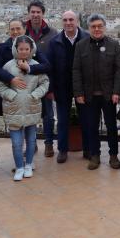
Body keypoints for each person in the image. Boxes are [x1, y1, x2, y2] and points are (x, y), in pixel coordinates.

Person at [72, 13, 120, 170]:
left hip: (108, 95)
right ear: (89, 28)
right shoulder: (81, 45)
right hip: (89, 96)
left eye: (100, 26)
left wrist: (116, 92)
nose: (97, 29)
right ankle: (95, 156)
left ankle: (113, 156)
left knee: (111, 127)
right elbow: (76, 70)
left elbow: (118, 70)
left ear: (104, 27)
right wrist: (78, 93)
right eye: (93, 26)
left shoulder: (113, 44)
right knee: (91, 127)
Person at [0, 36, 49, 181]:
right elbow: (1, 85)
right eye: (21, 49)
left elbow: (44, 83)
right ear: (16, 49)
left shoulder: (36, 65)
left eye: (27, 49)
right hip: (13, 108)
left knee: (31, 140)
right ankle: (19, 167)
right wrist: (12, 95)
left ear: (31, 50)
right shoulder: (8, 66)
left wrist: (34, 95)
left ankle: (29, 165)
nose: (24, 52)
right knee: (16, 143)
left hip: (31, 107)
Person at [46, 11, 89, 163]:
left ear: (77, 21)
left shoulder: (87, 38)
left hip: (82, 86)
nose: (68, 22)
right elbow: (49, 68)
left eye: (71, 19)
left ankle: (88, 149)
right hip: (61, 86)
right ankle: (62, 150)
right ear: (61, 22)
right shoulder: (55, 41)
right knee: (62, 120)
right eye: (65, 20)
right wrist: (50, 89)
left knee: (86, 117)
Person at [25, 0, 58, 158]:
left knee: (48, 115)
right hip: (26, 82)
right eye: (33, 12)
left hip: (46, 82)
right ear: (29, 13)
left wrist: (52, 87)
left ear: (43, 13)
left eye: (38, 12)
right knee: (28, 114)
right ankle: (31, 145)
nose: (35, 15)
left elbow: (57, 61)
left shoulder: (53, 33)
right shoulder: (23, 33)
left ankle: (49, 144)